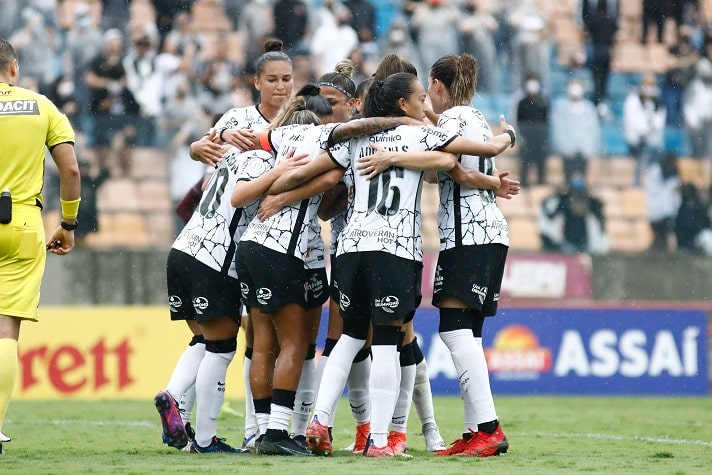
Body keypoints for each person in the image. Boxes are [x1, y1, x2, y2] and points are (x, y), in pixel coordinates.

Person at [267, 72, 514, 457]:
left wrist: (274, 190)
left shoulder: (354, 137)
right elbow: (454, 157)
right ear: (403, 103)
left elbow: (308, 173)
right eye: (419, 99)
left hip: (350, 249)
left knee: (347, 339)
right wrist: (506, 138)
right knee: (385, 344)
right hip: (395, 251)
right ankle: (380, 441)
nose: (425, 106)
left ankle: (320, 420)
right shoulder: (421, 134)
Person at [234, 97, 419, 456]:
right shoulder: (323, 135)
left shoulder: (277, 137)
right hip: (282, 250)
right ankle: (278, 433)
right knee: (295, 344)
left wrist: (221, 134)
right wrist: (399, 121)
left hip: (249, 246)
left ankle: (258, 431)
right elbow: (341, 157)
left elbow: (246, 161)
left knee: (260, 345)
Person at [187, 39, 295, 450]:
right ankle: (249, 428)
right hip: (229, 243)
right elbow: (203, 149)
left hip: (267, 244)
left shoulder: (297, 123)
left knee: (260, 338)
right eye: (272, 80)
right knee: (249, 338)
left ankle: (256, 428)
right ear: (256, 82)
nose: (280, 87)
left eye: (286, 79)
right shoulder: (236, 119)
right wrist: (198, 147)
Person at [417, 53, 518, 457]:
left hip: (467, 236)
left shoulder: (451, 123)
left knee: (454, 330)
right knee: (469, 334)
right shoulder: (476, 118)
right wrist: (507, 139)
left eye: (429, 88)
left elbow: (449, 169)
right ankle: (473, 429)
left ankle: (489, 428)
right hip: (490, 232)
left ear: (439, 86)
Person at [0, 38, 81, 456]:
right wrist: (67, 223)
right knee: (5, 329)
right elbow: (69, 168)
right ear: (13, 67)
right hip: (20, 221)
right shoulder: (40, 105)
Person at [538, 171, 608, 255]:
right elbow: (551, 216)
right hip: (571, 241)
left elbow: (599, 212)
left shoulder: (585, 200)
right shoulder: (566, 199)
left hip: (580, 241)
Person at [550, 78, 602, 182]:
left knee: (583, 179)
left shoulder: (589, 107)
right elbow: (558, 129)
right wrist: (563, 147)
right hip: (568, 151)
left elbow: (594, 130)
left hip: (584, 150)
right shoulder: (561, 108)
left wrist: (591, 148)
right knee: (568, 179)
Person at [622, 73, 667, 187]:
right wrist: (645, 131)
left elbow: (659, 123)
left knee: (654, 148)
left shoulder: (658, 103)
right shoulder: (633, 100)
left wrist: (650, 130)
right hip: (635, 140)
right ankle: (638, 182)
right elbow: (631, 121)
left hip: (652, 139)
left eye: (651, 85)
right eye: (646, 84)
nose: (648, 88)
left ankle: (652, 181)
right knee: (644, 150)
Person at [581, 0, 619, 106]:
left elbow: (616, 21)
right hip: (594, 42)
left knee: (604, 70)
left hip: (605, 43)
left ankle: (601, 95)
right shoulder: (589, 5)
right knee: (596, 71)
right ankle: (597, 95)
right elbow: (584, 18)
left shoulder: (612, 6)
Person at [515, 73, 549, 186]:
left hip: (540, 140)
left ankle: (541, 182)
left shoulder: (543, 102)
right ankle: (523, 183)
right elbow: (519, 121)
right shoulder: (522, 102)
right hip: (527, 139)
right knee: (525, 163)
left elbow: (546, 121)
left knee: (541, 163)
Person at [645, 152, 681, 252]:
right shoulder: (656, 171)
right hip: (656, 206)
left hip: (668, 208)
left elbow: (675, 191)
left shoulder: (675, 175)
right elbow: (653, 189)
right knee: (658, 231)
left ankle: (663, 248)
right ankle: (657, 246)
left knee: (666, 231)